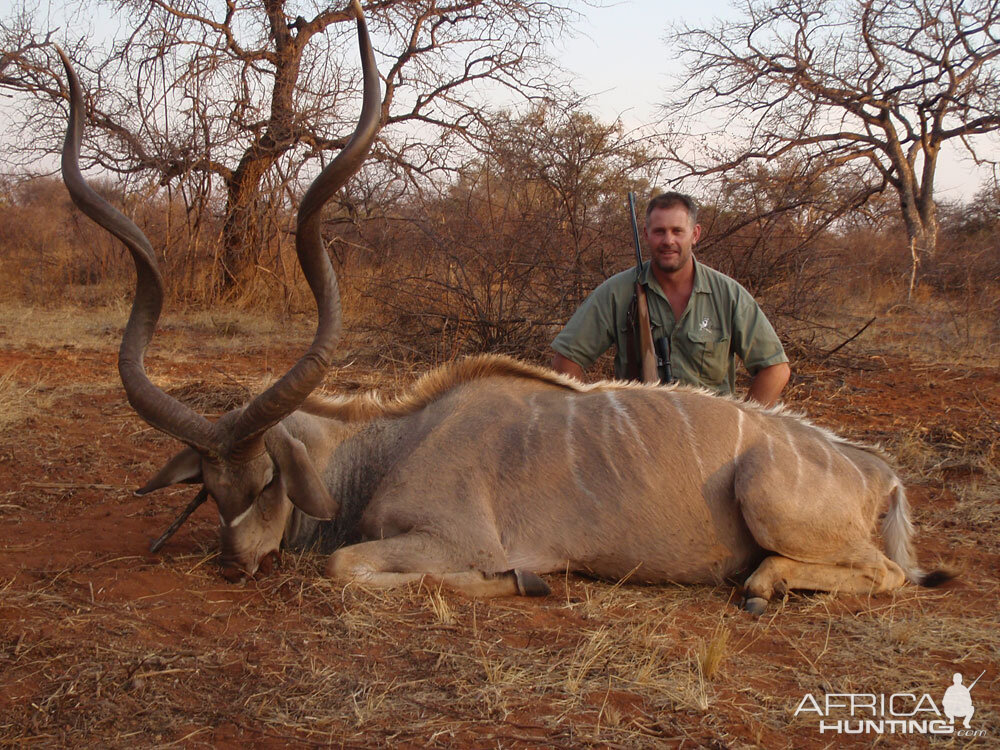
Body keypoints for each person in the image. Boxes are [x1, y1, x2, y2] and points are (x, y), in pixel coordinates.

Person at [551, 192, 790, 407]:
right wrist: (594, 417)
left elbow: (775, 369)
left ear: (695, 234)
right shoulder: (617, 292)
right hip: (638, 435)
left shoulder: (728, 295)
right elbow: (567, 357)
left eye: (677, 231)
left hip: (710, 439)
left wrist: (745, 425)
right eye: (659, 231)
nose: (668, 241)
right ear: (646, 235)